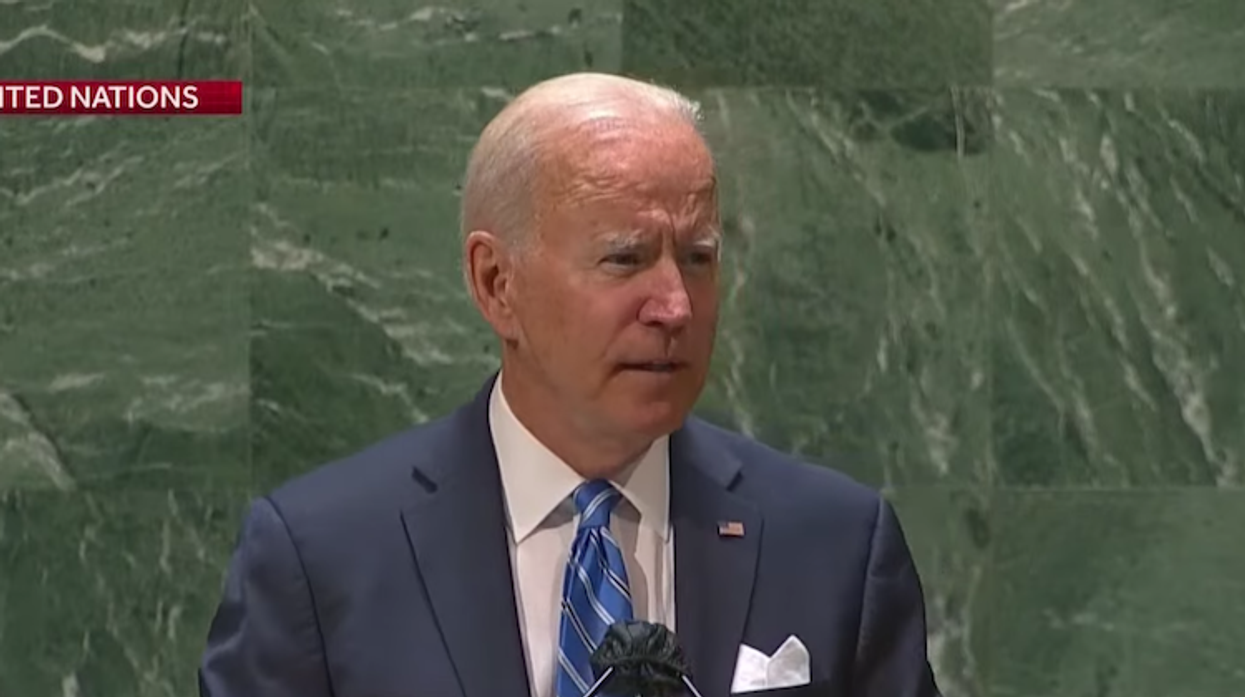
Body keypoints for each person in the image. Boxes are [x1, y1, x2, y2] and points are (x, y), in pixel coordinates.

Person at [198, 72, 942, 697]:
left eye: (698, 257)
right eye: (624, 259)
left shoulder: (834, 545)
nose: (675, 306)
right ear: (497, 283)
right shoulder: (321, 557)